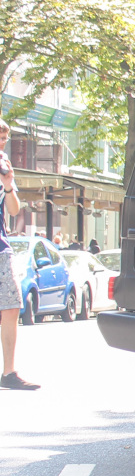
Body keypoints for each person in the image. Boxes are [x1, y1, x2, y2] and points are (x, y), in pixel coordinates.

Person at [0, 119, 37, 390]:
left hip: (1, 247)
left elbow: (14, 211)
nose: (2, 144)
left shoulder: (4, 165)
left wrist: (9, 184)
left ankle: (9, 372)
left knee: (11, 306)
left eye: (4, 139)